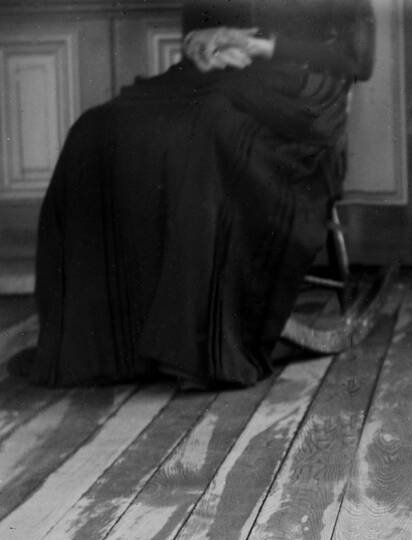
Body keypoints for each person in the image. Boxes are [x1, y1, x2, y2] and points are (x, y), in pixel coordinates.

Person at [29, 0, 374, 388]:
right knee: (97, 130)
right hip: (222, 80)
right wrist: (199, 41)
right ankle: (111, 342)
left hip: (301, 96)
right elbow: (201, 22)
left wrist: (269, 48)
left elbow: (358, 57)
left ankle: (203, 335)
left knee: (211, 127)